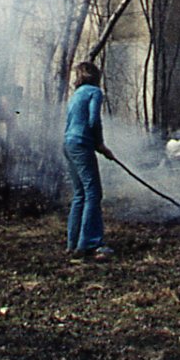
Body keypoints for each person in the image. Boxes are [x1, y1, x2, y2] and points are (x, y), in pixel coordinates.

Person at [62, 61, 117, 260]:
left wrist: (97, 147)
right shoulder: (95, 92)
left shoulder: (75, 95)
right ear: (96, 77)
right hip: (81, 144)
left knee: (80, 194)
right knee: (93, 193)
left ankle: (73, 244)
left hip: (69, 144)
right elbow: (93, 120)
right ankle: (90, 244)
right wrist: (100, 144)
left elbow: (74, 123)